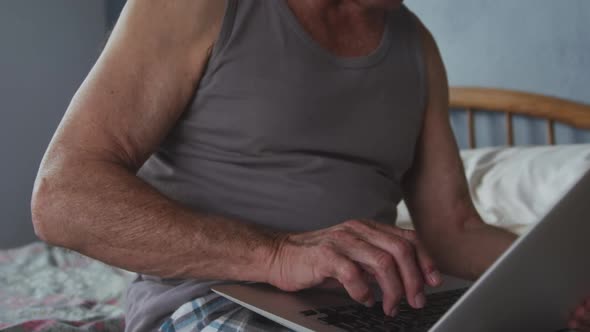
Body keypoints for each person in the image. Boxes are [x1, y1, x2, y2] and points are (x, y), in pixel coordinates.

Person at [31, 0, 590, 331]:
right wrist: (274, 254)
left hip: (374, 307)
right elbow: (63, 198)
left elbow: (454, 229)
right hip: (210, 298)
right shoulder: (197, 7)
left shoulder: (417, 45)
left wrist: (565, 285)